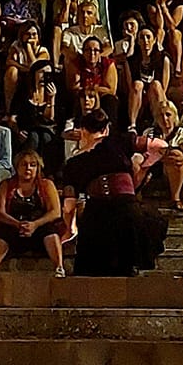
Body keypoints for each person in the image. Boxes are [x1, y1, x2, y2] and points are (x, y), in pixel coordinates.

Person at [61, 109, 140, 276]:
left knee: (92, 267)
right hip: (126, 208)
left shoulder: (74, 163)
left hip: (99, 213)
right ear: (106, 130)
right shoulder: (119, 143)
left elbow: (68, 205)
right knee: (125, 263)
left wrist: (69, 229)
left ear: (82, 131)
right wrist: (141, 168)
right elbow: (160, 146)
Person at [0, 148, 64, 275]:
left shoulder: (46, 185)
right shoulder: (6, 185)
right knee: (2, 231)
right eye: (24, 164)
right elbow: (0, 212)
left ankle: (59, 268)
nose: (28, 168)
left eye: (32, 165)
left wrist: (35, 224)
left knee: (50, 230)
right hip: (15, 226)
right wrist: (18, 224)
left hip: (38, 227)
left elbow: (55, 212)